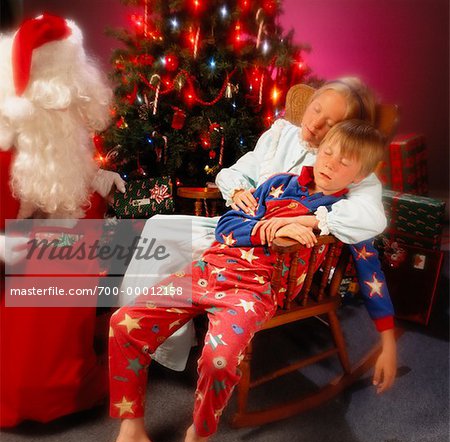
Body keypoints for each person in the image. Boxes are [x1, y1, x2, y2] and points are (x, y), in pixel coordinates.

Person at [109, 120, 396, 442]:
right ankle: (132, 431)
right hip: (210, 267)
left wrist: (387, 342)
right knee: (123, 324)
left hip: (254, 292)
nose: (330, 162)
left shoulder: (345, 216)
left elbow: (372, 275)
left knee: (219, 359)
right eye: (327, 152)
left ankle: (198, 437)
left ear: (360, 176)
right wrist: (269, 229)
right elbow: (227, 225)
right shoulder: (279, 184)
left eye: (344, 161)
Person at [121, 76, 388, 371]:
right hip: (240, 226)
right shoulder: (281, 135)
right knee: (158, 226)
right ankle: (146, 331)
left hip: (273, 250)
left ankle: (155, 343)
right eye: (316, 110)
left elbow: (372, 218)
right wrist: (236, 189)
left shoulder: (345, 162)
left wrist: (311, 219)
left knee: (174, 245)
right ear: (309, 104)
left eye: (330, 122)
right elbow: (235, 171)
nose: (316, 123)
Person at [0, 13, 125, 427]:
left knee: (79, 252)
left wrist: (97, 177)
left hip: (43, 230)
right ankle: (45, 388)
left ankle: (72, 367)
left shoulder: (58, 118)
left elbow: (61, 176)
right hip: (13, 246)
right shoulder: (8, 133)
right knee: (59, 265)